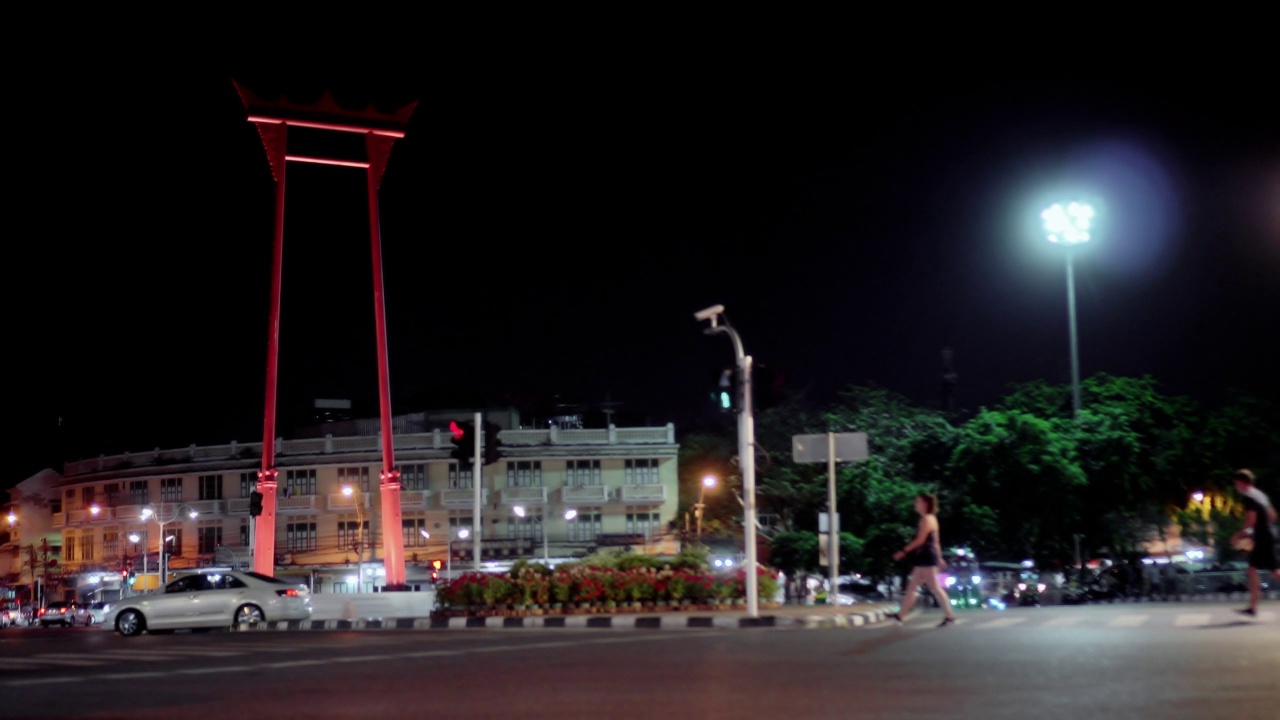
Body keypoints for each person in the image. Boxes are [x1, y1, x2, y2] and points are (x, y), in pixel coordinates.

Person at [887, 492, 957, 627]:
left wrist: (903, 551)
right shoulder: (931, 518)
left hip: (927, 558)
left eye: (918, 501)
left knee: (934, 588)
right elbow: (936, 542)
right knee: (913, 587)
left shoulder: (926, 519)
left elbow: (920, 540)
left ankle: (950, 616)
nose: (915, 504)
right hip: (926, 557)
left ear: (925, 504)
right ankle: (900, 615)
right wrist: (940, 557)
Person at [1227, 469, 1279, 616]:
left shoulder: (1248, 497)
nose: (1235, 487)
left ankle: (1253, 606)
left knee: (1269, 572)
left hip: (1263, 537)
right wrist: (1258, 530)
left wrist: (1238, 535)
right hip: (1266, 535)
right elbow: (1273, 516)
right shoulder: (1260, 495)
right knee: (1256, 570)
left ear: (1242, 483)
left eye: (1236, 483)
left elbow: (1251, 520)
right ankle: (1253, 606)